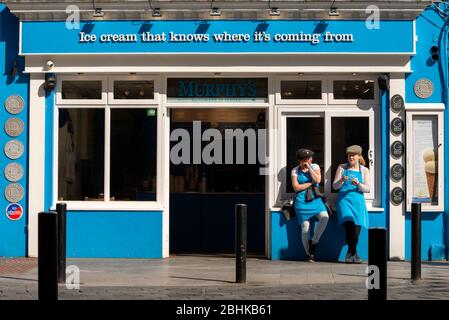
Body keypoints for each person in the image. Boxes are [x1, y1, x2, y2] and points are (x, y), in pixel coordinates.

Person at [333, 145, 370, 264]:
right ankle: (354, 253)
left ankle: (351, 253)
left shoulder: (364, 170)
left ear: (359, 156)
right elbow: (335, 186)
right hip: (344, 201)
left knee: (357, 228)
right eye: (349, 155)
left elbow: (367, 189)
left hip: (358, 201)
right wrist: (341, 180)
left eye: (353, 155)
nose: (351, 157)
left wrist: (359, 184)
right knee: (349, 224)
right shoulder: (342, 168)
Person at [291, 148, 329, 262]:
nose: (307, 161)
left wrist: (310, 168)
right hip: (301, 200)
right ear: (299, 160)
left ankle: (313, 242)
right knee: (305, 227)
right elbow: (296, 187)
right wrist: (310, 183)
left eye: (309, 158)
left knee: (324, 216)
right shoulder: (295, 171)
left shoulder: (315, 166)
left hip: (315, 198)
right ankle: (309, 254)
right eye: (304, 159)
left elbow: (318, 179)